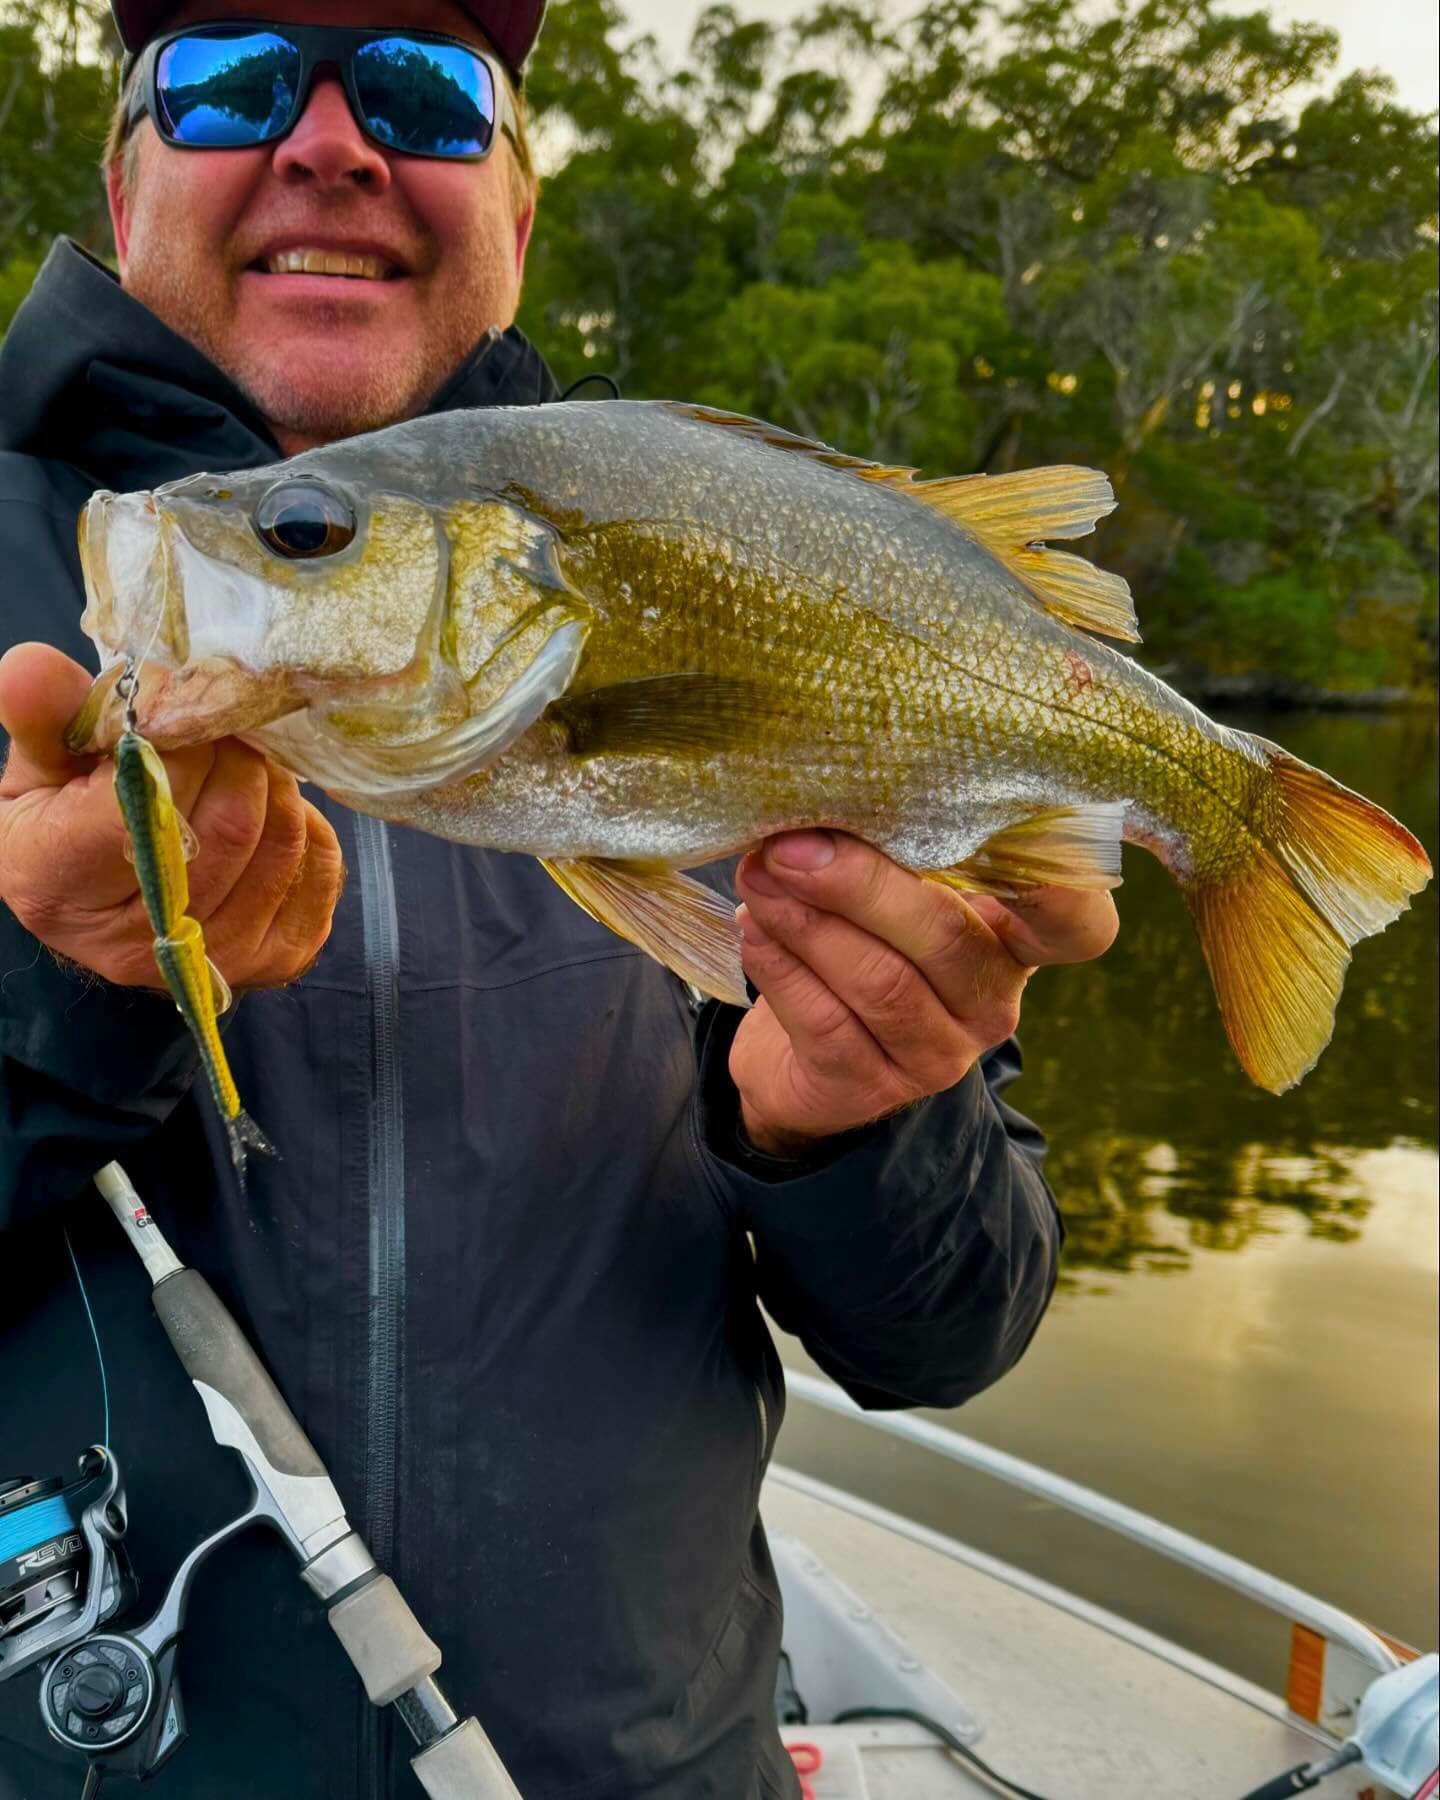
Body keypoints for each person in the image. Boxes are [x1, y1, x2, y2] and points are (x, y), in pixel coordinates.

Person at [0, 1, 1118, 1793]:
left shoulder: (700, 569)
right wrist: (46, 992)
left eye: (431, 90)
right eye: (230, 74)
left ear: (516, 209)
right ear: (122, 179)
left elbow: (958, 1334)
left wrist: (856, 1126)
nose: (332, 142)